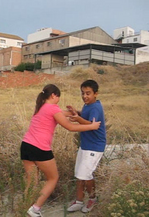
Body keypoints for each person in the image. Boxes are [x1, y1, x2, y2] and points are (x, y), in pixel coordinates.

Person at [20, 84, 101, 217]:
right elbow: (70, 127)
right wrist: (92, 126)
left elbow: (63, 114)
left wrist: (76, 113)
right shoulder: (52, 108)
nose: (58, 100)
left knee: (31, 180)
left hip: (26, 146)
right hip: (40, 148)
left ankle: (25, 207)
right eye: (58, 97)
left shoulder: (41, 107)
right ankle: (35, 209)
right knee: (53, 178)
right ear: (53, 95)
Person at [66, 79, 106, 213]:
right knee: (79, 174)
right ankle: (79, 200)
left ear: (96, 94)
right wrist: (77, 112)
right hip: (85, 145)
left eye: (88, 93)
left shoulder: (96, 107)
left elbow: (90, 125)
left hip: (94, 146)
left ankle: (93, 198)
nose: (84, 96)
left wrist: (78, 120)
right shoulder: (88, 105)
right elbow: (86, 117)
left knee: (86, 175)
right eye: (82, 93)